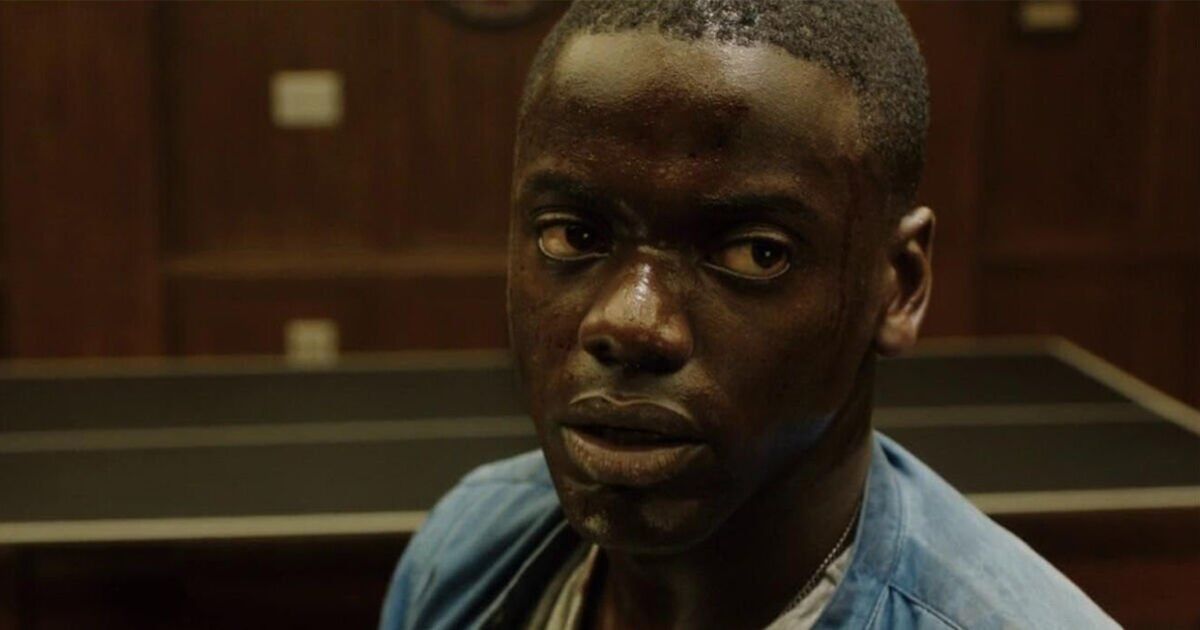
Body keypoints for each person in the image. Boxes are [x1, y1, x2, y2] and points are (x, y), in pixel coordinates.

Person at [381, 1, 1117, 628]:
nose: (630, 322)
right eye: (573, 236)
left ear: (898, 286)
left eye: (755, 253)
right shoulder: (463, 549)